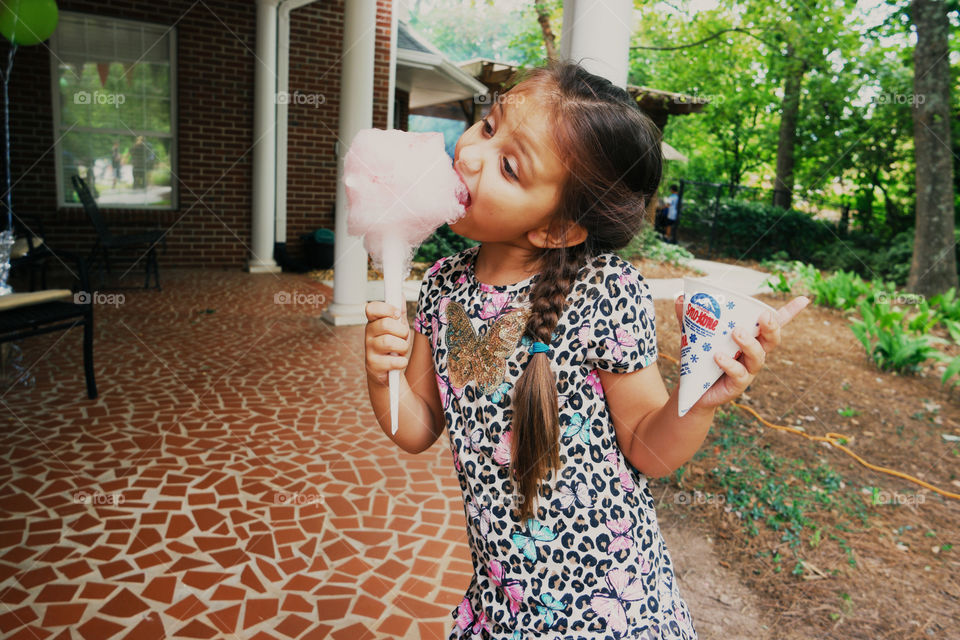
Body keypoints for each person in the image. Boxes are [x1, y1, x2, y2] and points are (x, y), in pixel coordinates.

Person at [363, 60, 809, 639]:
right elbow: (417, 426)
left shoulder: (603, 290)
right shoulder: (443, 286)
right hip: (505, 605)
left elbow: (649, 449)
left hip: (613, 608)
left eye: (508, 165)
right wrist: (383, 376)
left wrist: (698, 400)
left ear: (557, 229)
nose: (469, 152)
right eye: (489, 124)